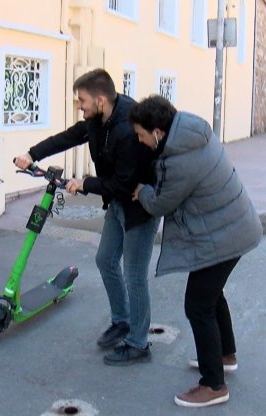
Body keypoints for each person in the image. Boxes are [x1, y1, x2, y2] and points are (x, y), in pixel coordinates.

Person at [13, 68, 159, 366]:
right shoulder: (96, 120)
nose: (79, 105)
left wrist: (84, 183)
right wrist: (32, 154)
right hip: (117, 204)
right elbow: (69, 137)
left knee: (134, 275)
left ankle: (139, 343)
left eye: (82, 100)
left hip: (138, 207)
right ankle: (122, 321)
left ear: (101, 100)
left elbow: (124, 183)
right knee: (105, 259)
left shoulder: (127, 128)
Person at [129, 95, 263, 408]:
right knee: (212, 296)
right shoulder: (188, 132)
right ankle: (225, 355)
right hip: (233, 227)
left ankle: (214, 384)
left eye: (141, 135)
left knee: (197, 306)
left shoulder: (180, 159)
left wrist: (142, 191)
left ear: (158, 132)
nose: (140, 140)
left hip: (226, 236)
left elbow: (162, 203)